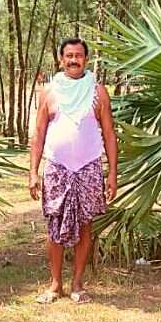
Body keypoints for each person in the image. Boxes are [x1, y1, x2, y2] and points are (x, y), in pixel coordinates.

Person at [29, 38, 118, 304]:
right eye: (68, 55)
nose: (73, 60)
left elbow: (110, 134)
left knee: (86, 224)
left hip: (89, 166)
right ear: (60, 59)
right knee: (54, 224)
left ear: (86, 60)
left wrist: (112, 173)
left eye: (78, 56)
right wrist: (33, 171)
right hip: (57, 167)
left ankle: (77, 283)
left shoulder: (98, 92)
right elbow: (39, 133)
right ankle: (55, 284)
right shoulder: (49, 92)